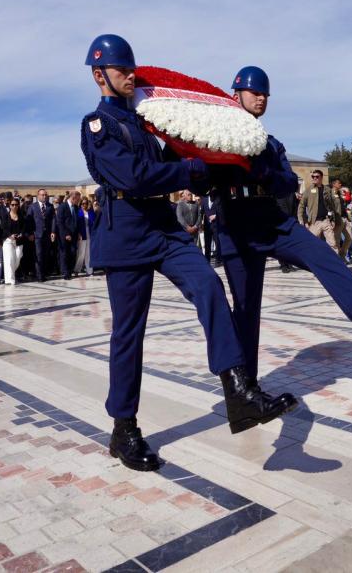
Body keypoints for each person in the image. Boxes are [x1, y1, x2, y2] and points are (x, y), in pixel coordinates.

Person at [80, 34, 292, 472]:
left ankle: (237, 387)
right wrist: (188, 170)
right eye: (121, 71)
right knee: (128, 335)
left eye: (131, 69)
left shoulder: (144, 119)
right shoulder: (97, 126)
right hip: (126, 235)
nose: (130, 76)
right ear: (100, 76)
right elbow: (135, 175)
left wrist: (211, 158)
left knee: (208, 284)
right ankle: (124, 427)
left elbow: (175, 158)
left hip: (162, 227)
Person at [213, 65, 352, 383]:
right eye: (254, 93)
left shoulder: (270, 144)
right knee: (246, 308)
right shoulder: (217, 138)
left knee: (322, 254)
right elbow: (202, 178)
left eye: (265, 94)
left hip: (270, 219)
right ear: (235, 94)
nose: (260, 99)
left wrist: (264, 172)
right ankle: (246, 390)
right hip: (236, 223)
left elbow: (286, 183)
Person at [297, 171, 342, 252]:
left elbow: (332, 206)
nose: (314, 178)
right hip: (314, 222)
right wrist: (302, 220)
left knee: (332, 244)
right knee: (311, 243)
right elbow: (301, 206)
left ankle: (334, 263)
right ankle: (313, 262)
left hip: (326, 220)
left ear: (321, 178)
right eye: (313, 176)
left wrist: (333, 219)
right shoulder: (308, 190)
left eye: (317, 176)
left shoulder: (328, 190)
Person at [0, 197, 30, 285]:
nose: (14, 206)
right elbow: (3, 229)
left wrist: (21, 234)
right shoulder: (5, 216)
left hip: (19, 241)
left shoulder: (21, 216)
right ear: (10, 206)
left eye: (16, 205)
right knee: (9, 260)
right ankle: (10, 280)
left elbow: (23, 228)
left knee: (18, 258)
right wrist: (10, 235)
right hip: (8, 241)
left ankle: (10, 274)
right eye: (12, 205)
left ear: (18, 206)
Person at [57, 190, 89, 279]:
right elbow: (60, 222)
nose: (79, 201)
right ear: (73, 198)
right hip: (65, 235)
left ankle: (70, 270)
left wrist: (78, 232)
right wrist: (66, 234)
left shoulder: (75, 208)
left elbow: (77, 221)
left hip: (74, 235)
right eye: (78, 200)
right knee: (65, 253)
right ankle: (65, 272)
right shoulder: (62, 207)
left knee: (73, 253)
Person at [29, 189, 56, 281]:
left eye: (45, 195)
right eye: (42, 195)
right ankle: (39, 275)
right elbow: (29, 221)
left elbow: (53, 219)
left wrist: (53, 231)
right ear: (38, 196)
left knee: (45, 255)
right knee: (38, 255)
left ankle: (43, 273)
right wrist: (30, 233)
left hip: (47, 235)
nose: (44, 196)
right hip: (37, 235)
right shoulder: (33, 207)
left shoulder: (50, 206)